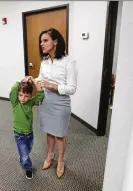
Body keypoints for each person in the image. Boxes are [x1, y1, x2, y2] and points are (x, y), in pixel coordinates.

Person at [35, 28, 78, 178]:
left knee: (59, 134)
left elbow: (72, 89)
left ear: (55, 42)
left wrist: (52, 85)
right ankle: (50, 155)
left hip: (61, 103)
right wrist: (31, 80)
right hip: (46, 101)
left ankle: (60, 160)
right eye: (41, 41)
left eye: (45, 40)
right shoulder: (44, 61)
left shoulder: (68, 61)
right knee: (49, 130)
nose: (42, 44)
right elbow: (40, 78)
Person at [9, 76, 44, 179]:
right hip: (18, 133)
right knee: (25, 155)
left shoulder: (31, 102)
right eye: (20, 95)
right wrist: (21, 81)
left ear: (30, 96)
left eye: (26, 96)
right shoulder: (15, 102)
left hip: (29, 133)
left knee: (28, 149)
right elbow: (13, 90)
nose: (23, 98)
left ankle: (23, 156)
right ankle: (28, 168)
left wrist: (33, 80)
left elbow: (41, 95)